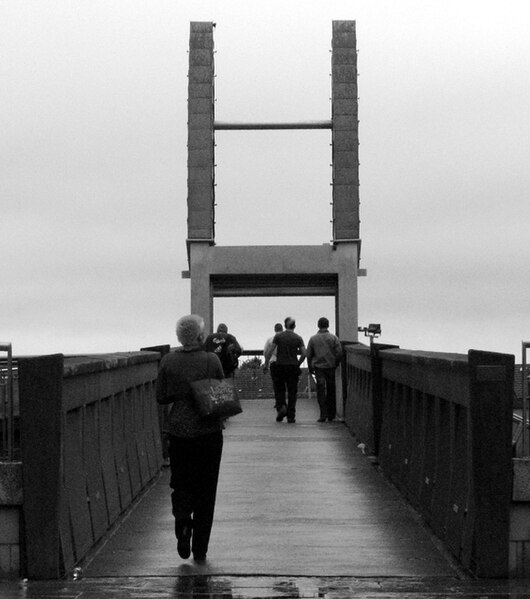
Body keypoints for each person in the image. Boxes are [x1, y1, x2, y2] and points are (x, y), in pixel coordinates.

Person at [156, 314, 225, 562]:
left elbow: (161, 396)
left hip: (179, 431)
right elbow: (220, 392)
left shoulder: (168, 361)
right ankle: (200, 549)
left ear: (179, 337)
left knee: (182, 483)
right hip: (208, 432)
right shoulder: (211, 359)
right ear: (200, 336)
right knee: (207, 490)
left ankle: (184, 523)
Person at [264, 317, 306, 423]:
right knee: (292, 392)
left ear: (285, 325)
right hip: (292, 367)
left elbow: (269, 351)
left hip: (280, 366)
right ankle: (291, 416)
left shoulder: (278, 337)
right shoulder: (298, 338)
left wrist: (266, 364)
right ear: (294, 326)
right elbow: (304, 353)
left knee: (279, 389)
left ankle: (281, 407)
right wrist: (298, 363)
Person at [306, 317, 343, 422]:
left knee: (321, 390)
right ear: (328, 325)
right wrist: (336, 363)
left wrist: (310, 367)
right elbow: (339, 352)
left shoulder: (313, 339)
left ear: (318, 325)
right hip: (331, 367)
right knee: (331, 389)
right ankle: (331, 414)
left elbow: (309, 355)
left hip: (319, 368)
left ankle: (323, 414)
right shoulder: (334, 338)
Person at [263, 323, 284, 413]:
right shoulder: (286, 338)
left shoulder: (270, 339)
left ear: (275, 329)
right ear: (282, 329)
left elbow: (266, 352)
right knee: (284, 382)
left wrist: (266, 363)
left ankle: (278, 401)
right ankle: (283, 401)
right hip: (285, 362)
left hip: (274, 362)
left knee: (276, 383)